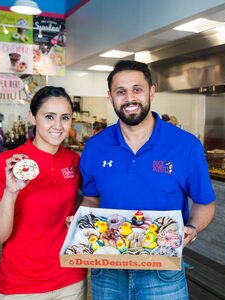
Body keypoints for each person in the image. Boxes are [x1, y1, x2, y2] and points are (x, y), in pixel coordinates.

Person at [79, 60, 216, 299]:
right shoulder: (95, 147)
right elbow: (91, 199)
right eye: (120, 91)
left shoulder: (185, 146)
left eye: (137, 89)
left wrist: (191, 229)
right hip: (108, 268)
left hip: (162, 270)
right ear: (110, 97)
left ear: (152, 91)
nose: (129, 98)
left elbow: (205, 203)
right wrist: (82, 221)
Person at [0, 86, 87, 299]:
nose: (58, 126)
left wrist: (81, 217)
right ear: (32, 117)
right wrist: (10, 193)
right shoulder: (7, 163)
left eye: (65, 118)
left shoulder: (74, 161)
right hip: (21, 285)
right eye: (49, 116)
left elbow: (93, 199)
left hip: (71, 279)